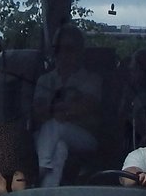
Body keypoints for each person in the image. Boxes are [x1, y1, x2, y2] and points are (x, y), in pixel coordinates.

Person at [32, 25, 102, 186]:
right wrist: (67, 108)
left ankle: (40, 169)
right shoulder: (45, 80)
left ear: (79, 51)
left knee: (56, 125)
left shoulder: (91, 79)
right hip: (46, 136)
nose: (63, 53)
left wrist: (57, 110)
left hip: (84, 136)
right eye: (59, 48)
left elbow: (86, 108)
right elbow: (38, 112)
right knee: (60, 148)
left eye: (69, 48)